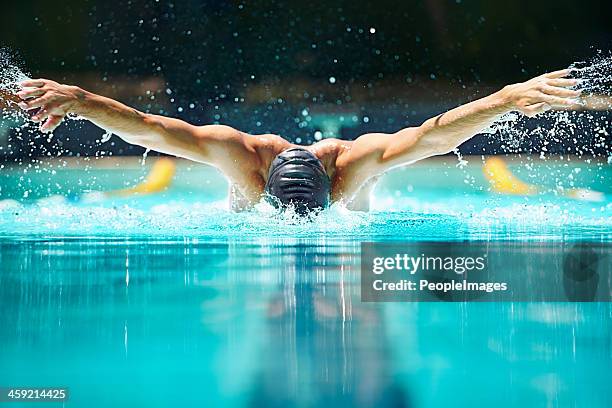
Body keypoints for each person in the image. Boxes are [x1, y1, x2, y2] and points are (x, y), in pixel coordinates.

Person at [15, 69, 583, 213]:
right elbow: (152, 127)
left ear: (332, 186)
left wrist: (504, 100)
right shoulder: (239, 156)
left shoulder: (356, 163)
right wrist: (82, 100)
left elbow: (432, 136)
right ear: (262, 183)